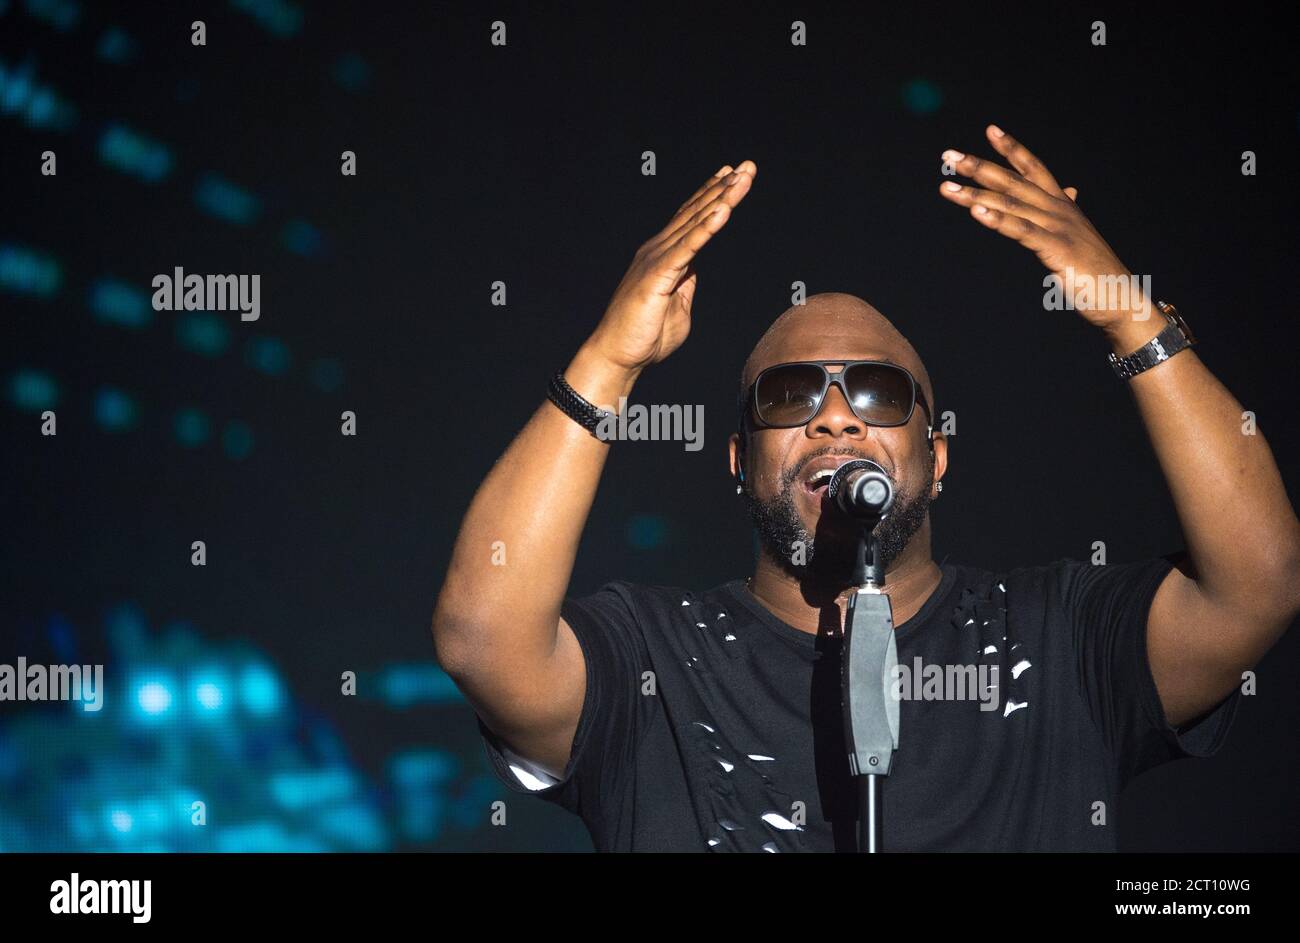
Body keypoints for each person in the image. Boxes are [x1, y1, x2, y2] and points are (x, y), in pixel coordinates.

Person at [432, 126, 1300, 851]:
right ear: (739, 460)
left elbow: (1261, 580)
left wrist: (1130, 315)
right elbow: (482, 640)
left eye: (879, 393)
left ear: (939, 455)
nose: (836, 417)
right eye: (790, 395)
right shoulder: (654, 658)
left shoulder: (1060, 634)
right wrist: (609, 364)